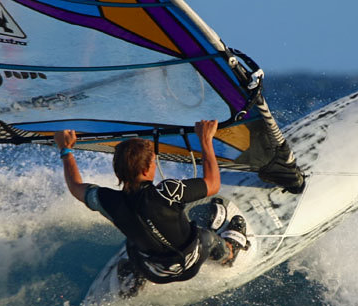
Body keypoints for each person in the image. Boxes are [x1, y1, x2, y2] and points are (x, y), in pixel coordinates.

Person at [54, 120, 247, 288]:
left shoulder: (107, 200)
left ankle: (135, 279)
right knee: (208, 237)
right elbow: (213, 184)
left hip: (153, 273)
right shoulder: (167, 191)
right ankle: (229, 253)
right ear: (147, 168)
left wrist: (66, 150)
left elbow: (75, 186)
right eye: (154, 161)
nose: (155, 164)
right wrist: (205, 140)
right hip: (190, 264)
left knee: (132, 243)